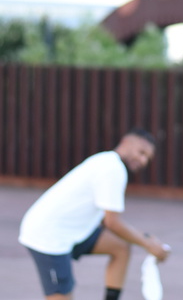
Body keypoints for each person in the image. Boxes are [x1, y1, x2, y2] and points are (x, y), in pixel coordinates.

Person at [19, 128, 170, 300]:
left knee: (120, 246)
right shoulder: (112, 169)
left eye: (147, 158)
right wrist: (149, 244)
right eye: (141, 152)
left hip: (73, 232)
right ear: (126, 143)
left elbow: (109, 223)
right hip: (48, 236)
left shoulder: (107, 161)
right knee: (63, 296)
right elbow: (112, 223)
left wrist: (146, 239)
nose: (143, 160)